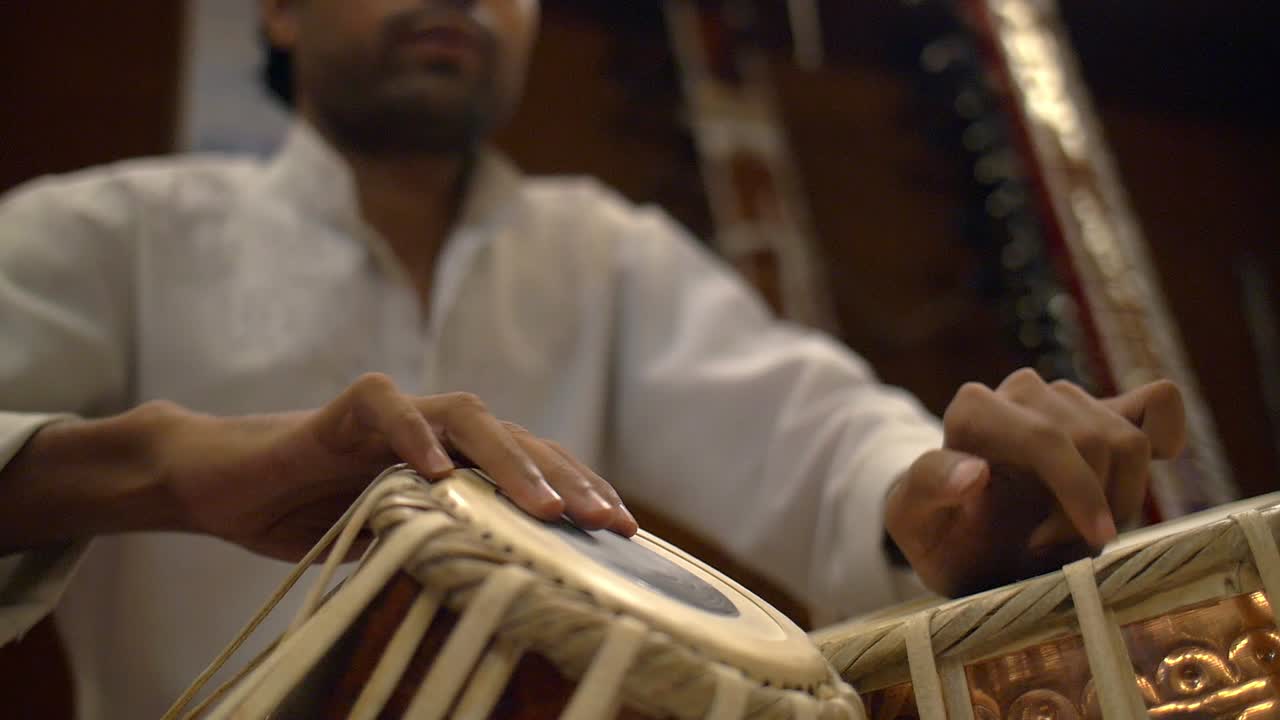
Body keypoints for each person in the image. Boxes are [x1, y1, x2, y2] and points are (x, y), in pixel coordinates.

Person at [0, 0, 1186, 716]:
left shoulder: (599, 252)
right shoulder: (114, 233)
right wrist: (162, 463)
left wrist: (938, 496)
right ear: (275, 9)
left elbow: (813, 431)